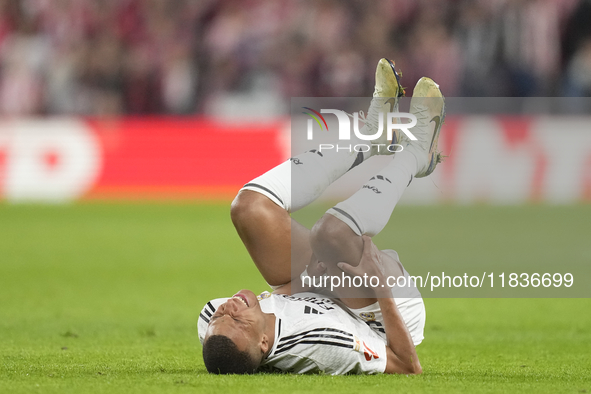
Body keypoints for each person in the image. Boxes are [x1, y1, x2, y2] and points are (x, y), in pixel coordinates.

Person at [197, 58, 445, 375]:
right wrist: (379, 284)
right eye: (236, 320)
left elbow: (268, 309)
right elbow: (407, 366)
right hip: (380, 314)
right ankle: (418, 155)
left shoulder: (212, 324)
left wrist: (306, 281)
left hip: (311, 287)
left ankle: (372, 136)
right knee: (331, 233)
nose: (227, 309)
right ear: (263, 344)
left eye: (221, 317)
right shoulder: (319, 341)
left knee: (248, 208)